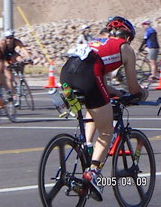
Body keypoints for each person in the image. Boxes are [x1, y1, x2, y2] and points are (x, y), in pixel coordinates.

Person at [60, 16, 148, 201]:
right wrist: (142, 93)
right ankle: (92, 173)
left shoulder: (97, 43)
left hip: (67, 73)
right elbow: (133, 87)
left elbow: (101, 83)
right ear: (129, 37)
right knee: (107, 129)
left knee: (93, 106)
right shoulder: (125, 48)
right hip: (88, 75)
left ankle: (87, 147)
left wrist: (116, 91)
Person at [0, 29, 32, 103]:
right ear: (5, 38)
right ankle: (13, 95)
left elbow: (23, 49)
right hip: (4, 57)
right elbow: (0, 56)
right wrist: (6, 64)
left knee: (21, 60)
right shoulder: (3, 43)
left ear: (13, 37)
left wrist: (28, 58)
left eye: (11, 38)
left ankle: (20, 76)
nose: (9, 40)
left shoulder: (16, 42)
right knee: (9, 78)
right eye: (7, 38)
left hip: (12, 54)